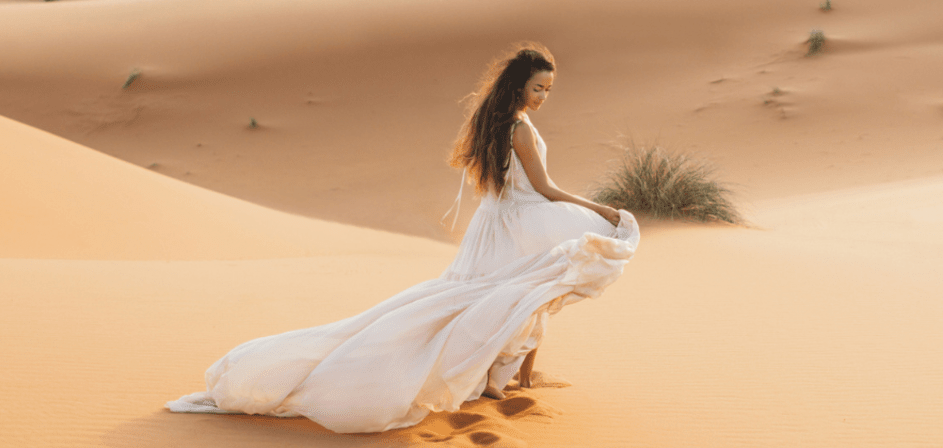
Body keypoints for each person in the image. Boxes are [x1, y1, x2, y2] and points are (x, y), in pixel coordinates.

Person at [167, 43, 638, 433]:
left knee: (527, 290)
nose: (544, 96)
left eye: (550, 89)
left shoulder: (494, 120)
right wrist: (601, 209)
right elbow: (545, 189)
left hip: (495, 223)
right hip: (523, 218)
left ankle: (513, 375)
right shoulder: (519, 130)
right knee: (533, 288)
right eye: (539, 88)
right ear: (519, 85)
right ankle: (501, 377)